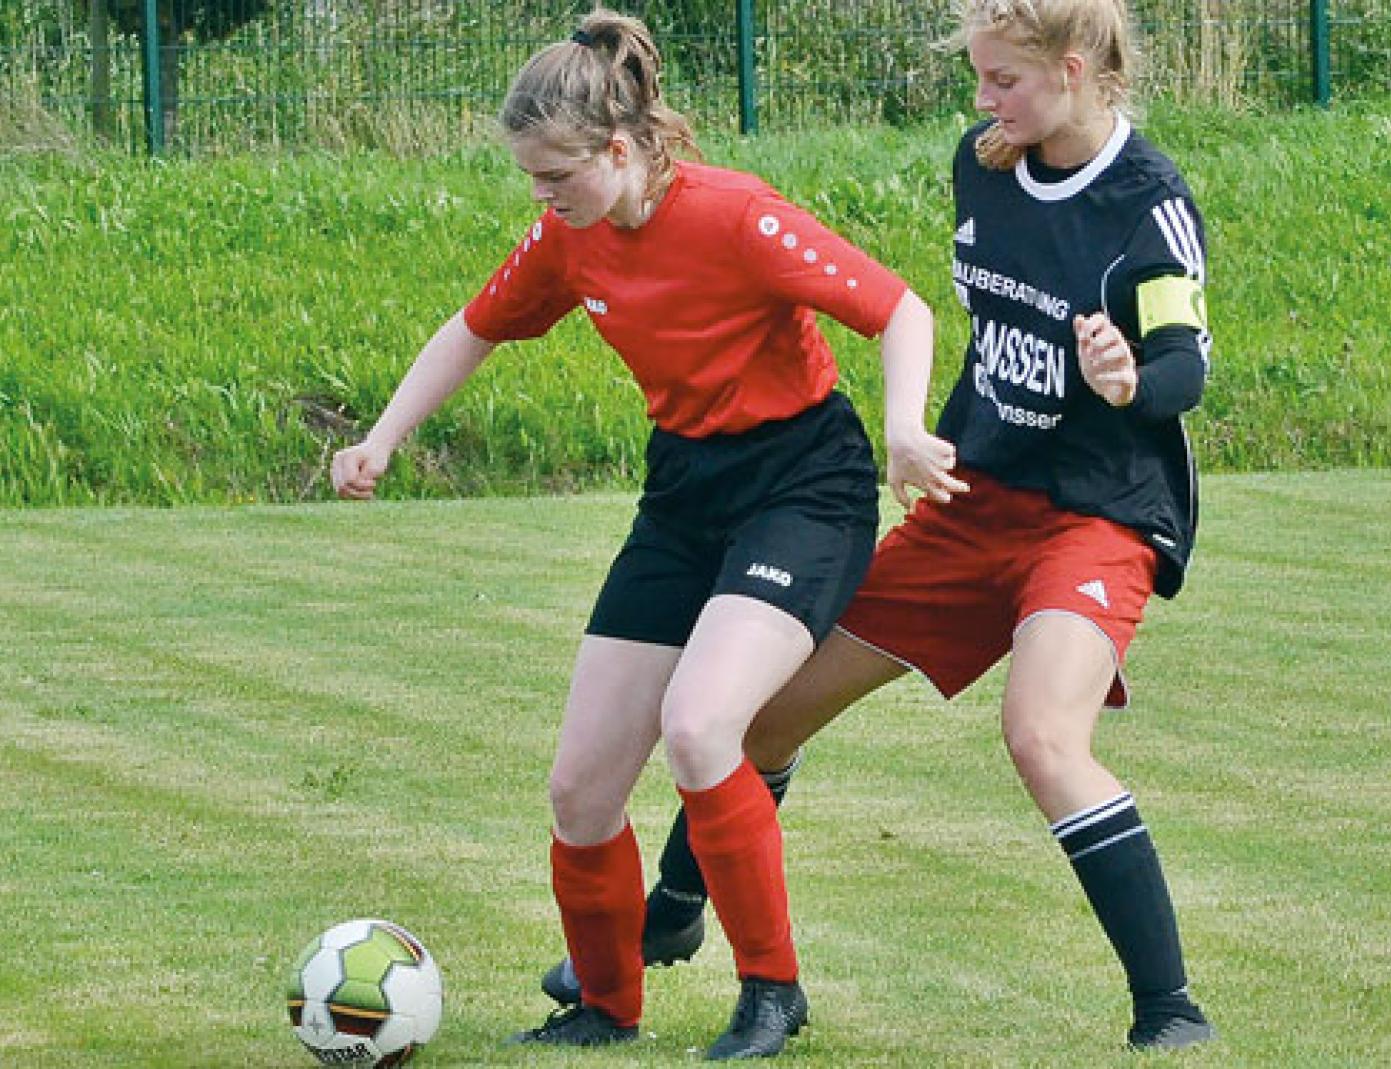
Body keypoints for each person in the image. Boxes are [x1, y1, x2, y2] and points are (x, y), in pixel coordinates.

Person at [540, 0, 1217, 1052]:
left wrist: (1130, 381)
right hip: (971, 504)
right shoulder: (987, 163)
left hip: (1096, 519)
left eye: (1001, 80)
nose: (981, 100)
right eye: (979, 77)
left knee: (1042, 735)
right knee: (758, 718)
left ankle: (1168, 1007)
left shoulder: (1148, 203)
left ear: (1074, 71)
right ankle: (671, 911)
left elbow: (1184, 363)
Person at [330, 6, 963, 1059]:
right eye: (531, 179)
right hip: (683, 493)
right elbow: (475, 327)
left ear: (620, 150)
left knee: (704, 727)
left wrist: (905, 430)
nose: (542, 198)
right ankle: (605, 1007)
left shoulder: (734, 215)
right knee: (580, 786)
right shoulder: (568, 236)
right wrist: (382, 437)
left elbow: (900, 309)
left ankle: (772, 993)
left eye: (556, 176)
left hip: (802, 488)